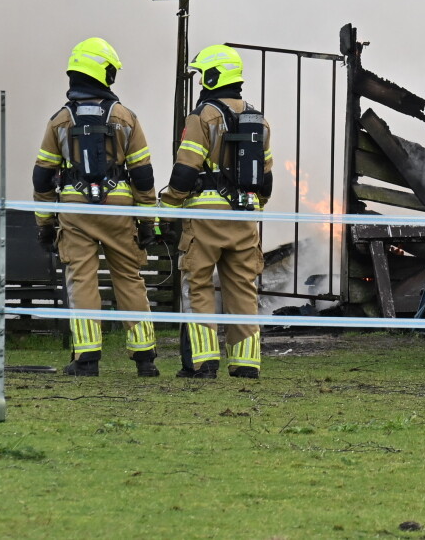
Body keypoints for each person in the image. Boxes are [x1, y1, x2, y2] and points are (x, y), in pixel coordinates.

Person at [33, 37, 159, 377]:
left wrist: (44, 224)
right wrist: (148, 221)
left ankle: (87, 358)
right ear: (104, 73)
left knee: (82, 279)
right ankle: (145, 358)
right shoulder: (125, 117)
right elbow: (143, 174)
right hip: (119, 208)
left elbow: (42, 177)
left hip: (75, 210)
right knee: (129, 278)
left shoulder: (60, 120)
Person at [160, 44, 272, 380]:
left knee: (198, 285)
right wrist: (253, 207)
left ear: (213, 76)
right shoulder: (259, 120)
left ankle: (203, 362)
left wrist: (168, 208)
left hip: (206, 216)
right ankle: (246, 364)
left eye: (201, 75)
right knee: (243, 288)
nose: (199, 82)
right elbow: (266, 181)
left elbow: (185, 171)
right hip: (245, 216)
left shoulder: (202, 117)